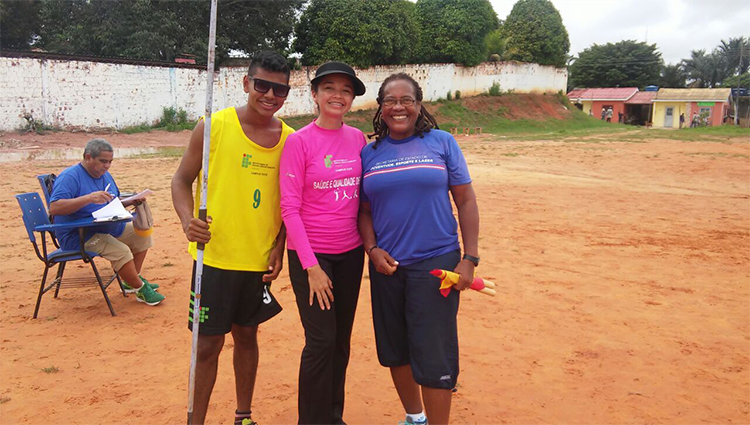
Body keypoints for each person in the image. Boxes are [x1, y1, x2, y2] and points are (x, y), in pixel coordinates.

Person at [171, 51, 294, 425]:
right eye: (262, 85)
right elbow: (181, 180)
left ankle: (244, 416)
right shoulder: (213, 127)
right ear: (246, 83)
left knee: (247, 338)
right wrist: (187, 220)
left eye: (280, 89)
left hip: (256, 261)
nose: (270, 95)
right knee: (207, 346)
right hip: (214, 259)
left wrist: (279, 246)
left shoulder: (291, 140)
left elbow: (291, 202)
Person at [358, 73, 480, 425]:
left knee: (434, 352)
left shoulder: (441, 142)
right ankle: (415, 418)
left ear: (419, 104)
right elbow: (364, 211)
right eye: (390, 101)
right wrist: (372, 250)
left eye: (406, 100)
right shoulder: (370, 153)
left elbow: (466, 201)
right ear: (380, 108)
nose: (399, 107)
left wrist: (469, 259)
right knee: (396, 349)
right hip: (387, 266)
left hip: (436, 265)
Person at [279, 61, 367, 424]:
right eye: (329, 88)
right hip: (311, 256)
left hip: (350, 253)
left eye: (345, 90)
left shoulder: (358, 139)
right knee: (320, 342)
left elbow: (365, 199)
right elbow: (289, 208)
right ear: (314, 95)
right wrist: (311, 266)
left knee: (341, 341)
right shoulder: (299, 142)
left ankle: (333, 415)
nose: (338, 95)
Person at [49, 138, 164, 306]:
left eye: (110, 162)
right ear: (88, 157)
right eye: (103, 161)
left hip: (104, 227)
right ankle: (140, 289)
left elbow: (114, 200)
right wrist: (88, 198)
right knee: (121, 250)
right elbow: (54, 208)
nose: (107, 166)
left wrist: (132, 201)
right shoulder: (70, 177)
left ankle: (130, 281)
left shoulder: (104, 175)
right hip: (80, 235)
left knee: (141, 236)